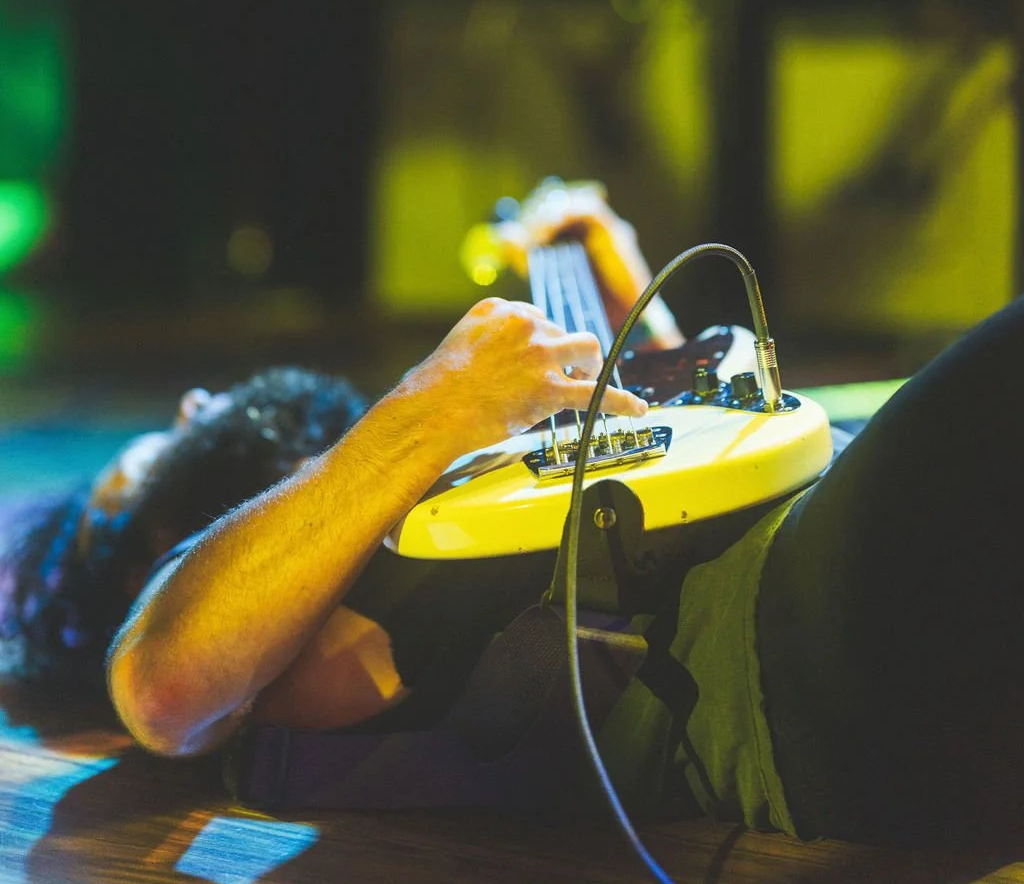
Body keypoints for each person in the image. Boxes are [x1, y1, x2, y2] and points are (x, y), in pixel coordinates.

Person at [6, 184, 1024, 851]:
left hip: (837, 563)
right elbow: (163, 678)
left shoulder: (432, 478)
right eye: (146, 467)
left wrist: (625, 302)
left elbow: (680, 477)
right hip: (790, 656)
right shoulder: (285, 635)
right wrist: (435, 398)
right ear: (158, 545)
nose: (188, 407)